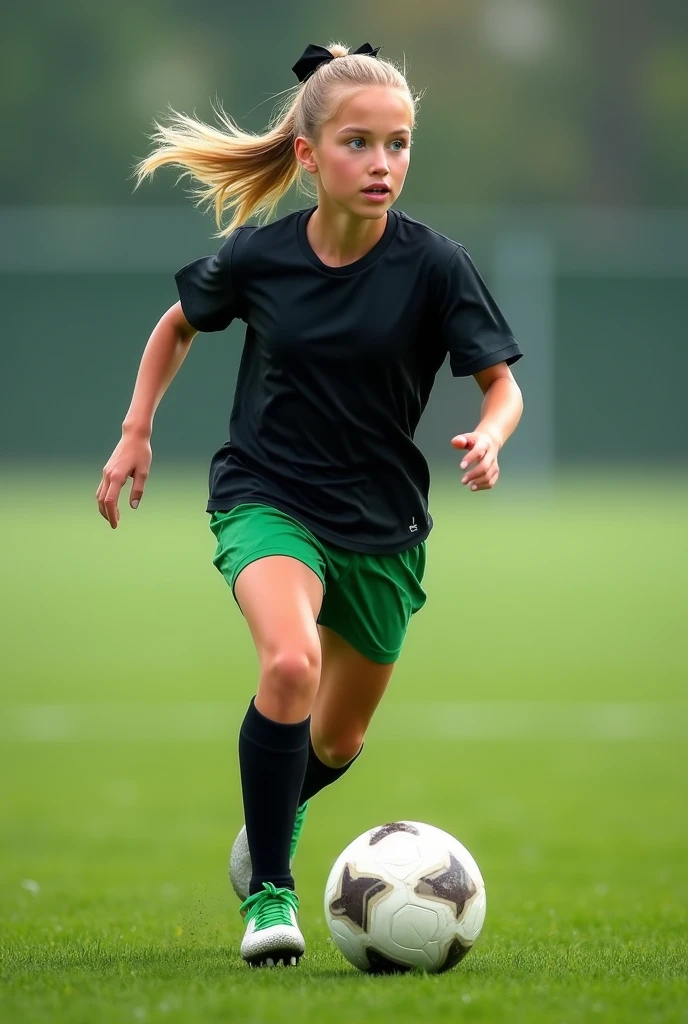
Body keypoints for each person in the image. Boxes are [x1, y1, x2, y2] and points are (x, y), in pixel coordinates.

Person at [96, 40, 524, 968]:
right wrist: (136, 430)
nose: (382, 165)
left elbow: (501, 383)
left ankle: (268, 821)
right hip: (266, 494)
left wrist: (491, 432)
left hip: (382, 523)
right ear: (307, 155)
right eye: (360, 144)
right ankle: (273, 895)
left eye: (399, 145)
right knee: (288, 664)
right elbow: (178, 326)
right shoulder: (260, 256)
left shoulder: (435, 265)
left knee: (341, 733)